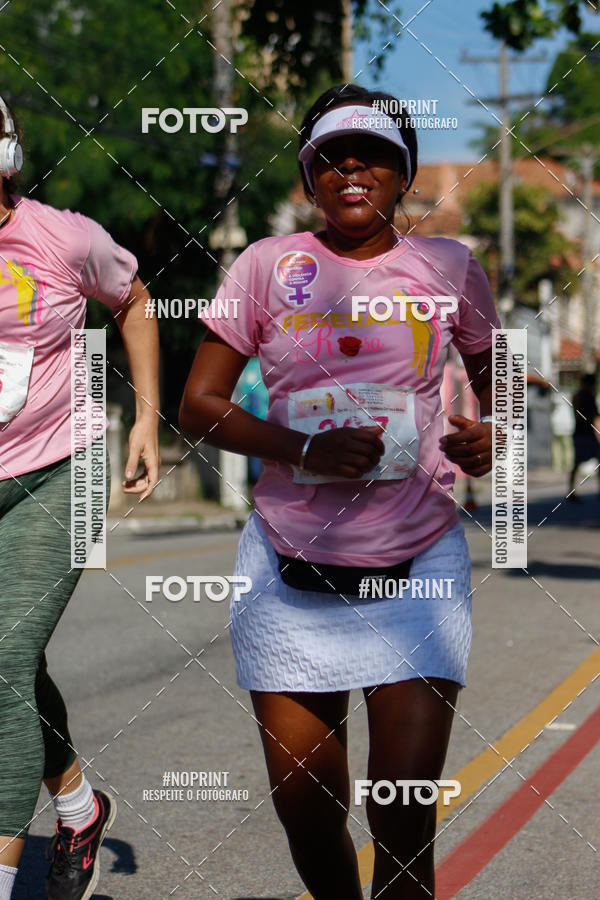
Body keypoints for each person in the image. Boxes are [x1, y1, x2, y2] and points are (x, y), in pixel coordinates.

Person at [180, 83, 500, 899]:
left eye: (374, 155)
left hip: (416, 564)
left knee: (402, 812)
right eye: (331, 157)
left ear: (405, 173)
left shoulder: (450, 266)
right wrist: (302, 447)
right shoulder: (265, 266)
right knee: (308, 810)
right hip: (289, 569)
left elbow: (501, 388)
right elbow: (198, 406)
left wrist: (491, 437)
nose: (351, 169)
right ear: (308, 175)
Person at [0, 96, 160, 899]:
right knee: (12, 664)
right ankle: (79, 809)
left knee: (1, 662)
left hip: (60, 468)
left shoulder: (62, 237)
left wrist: (147, 419)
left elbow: (133, 301)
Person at [567, 372, 600, 501]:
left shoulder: (591, 396)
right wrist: (590, 417)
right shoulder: (578, 396)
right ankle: (571, 491)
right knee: (577, 464)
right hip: (581, 434)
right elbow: (578, 415)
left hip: (591, 435)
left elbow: (596, 417)